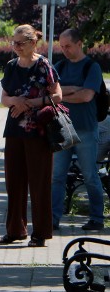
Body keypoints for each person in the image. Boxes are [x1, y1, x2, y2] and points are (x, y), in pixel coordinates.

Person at [0, 24, 62, 247]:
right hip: (14, 130)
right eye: (13, 43)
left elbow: (57, 95)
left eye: (20, 43)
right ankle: (15, 230)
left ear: (33, 43)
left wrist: (30, 104)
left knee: (39, 182)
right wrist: (15, 101)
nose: (15, 47)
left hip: (38, 131)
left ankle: (40, 233)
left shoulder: (43, 64)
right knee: (14, 182)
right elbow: (4, 98)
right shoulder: (11, 66)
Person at [51, 28, 105, 232]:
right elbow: (50, 91)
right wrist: (75, 88)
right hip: (61, 128)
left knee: (90, 175)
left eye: (68, 46)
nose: (64, 50)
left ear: (79, 43)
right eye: (62, 47)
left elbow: (87, 96)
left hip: (86, 129)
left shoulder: (92, 67)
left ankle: (97, 218)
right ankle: (53, 218)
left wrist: (62, 93)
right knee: (57, 176)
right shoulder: (59, 66)